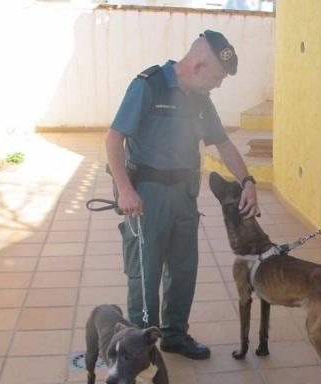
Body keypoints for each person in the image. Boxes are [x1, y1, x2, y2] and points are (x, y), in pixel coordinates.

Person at [106, 30, 260, 360]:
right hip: (146, 197)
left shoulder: (201, 101)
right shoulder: (149, 85)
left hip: (185, 194)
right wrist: (125, 189)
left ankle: (175, 335)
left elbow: (224, 144)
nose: (219, 85)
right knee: (145, 275)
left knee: (183, 269)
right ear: (199, 65)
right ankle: (138, 347)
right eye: (218, 76)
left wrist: (248, 180)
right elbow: (113, 139)